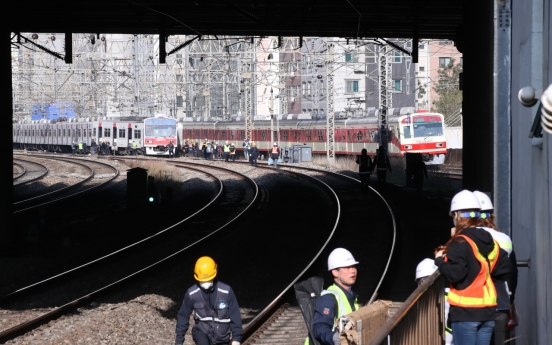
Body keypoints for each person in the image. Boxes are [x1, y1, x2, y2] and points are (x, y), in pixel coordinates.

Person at [434, 190, 513, 345]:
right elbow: (505, 270)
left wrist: (439, 261)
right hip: (488, 312)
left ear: (456, 215)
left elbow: (455, 274)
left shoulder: (460, 242)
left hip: (466, 313)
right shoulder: (490, 241)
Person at [472, 191, 518, 345]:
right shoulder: (504, 239)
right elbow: (513, 274)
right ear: (491, 215)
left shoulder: (466, 239)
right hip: (500, 304)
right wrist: (510, 301)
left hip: (473, 305)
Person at [175, 256, 242, 345]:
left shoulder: (226, 292)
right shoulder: (192, 294)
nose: (205, 282)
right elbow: (183, 316)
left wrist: (236, 339)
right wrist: (179, 341)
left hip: (222, 337)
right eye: (203, 280)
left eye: (208, 279)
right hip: (201, 331)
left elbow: (235, 315)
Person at [311, 248, 359, 345]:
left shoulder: (351, 295)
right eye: (347, 267)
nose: (352, 271)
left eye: (353, 266)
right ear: (335, 272)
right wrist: (335, 338)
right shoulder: (328, 297)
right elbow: (319, 327)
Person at [415, 258, 454, 345]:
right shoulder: (423, 299)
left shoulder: (449, 297)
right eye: (419, 282)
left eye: (422, 281)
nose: (420, 285)